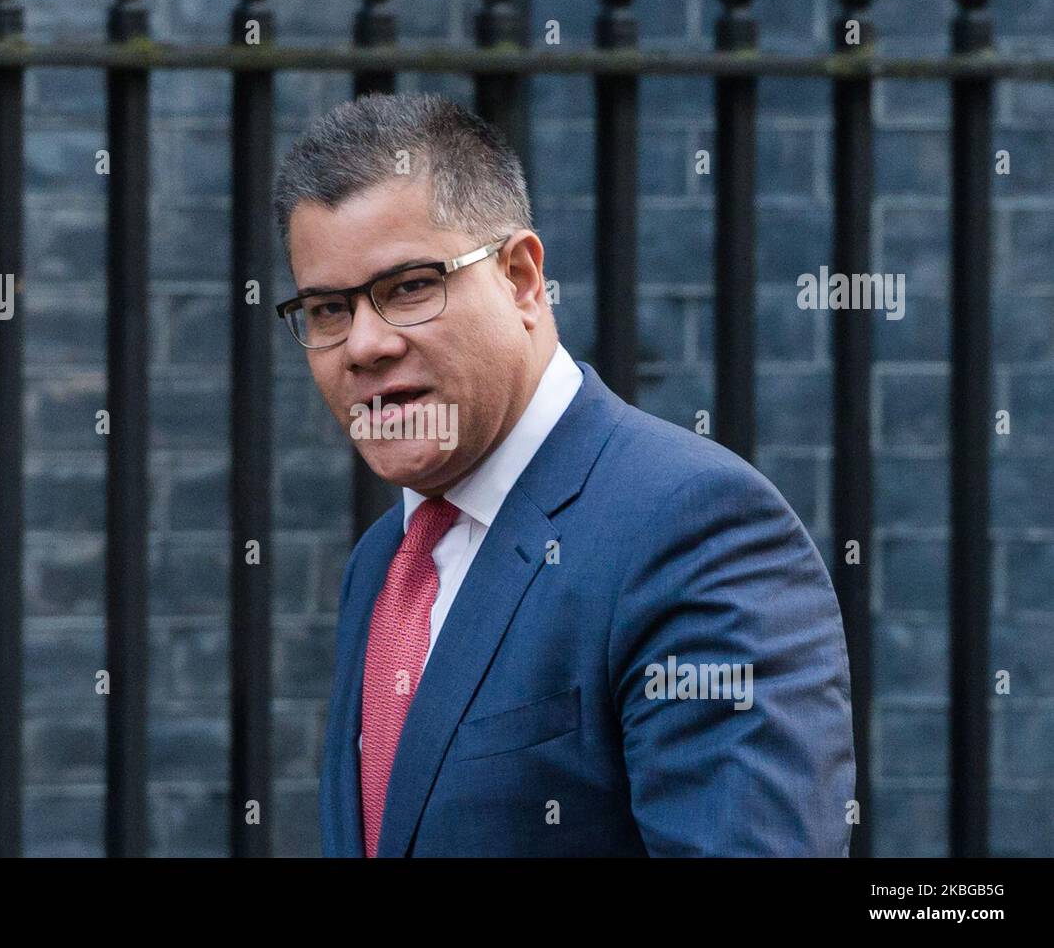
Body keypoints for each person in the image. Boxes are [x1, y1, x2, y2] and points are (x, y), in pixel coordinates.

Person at [272, 92, 855, 857]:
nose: (364, 344)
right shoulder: (382, 563)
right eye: (327, 310)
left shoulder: (693, 525)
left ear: (520, 278)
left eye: (410, 286)